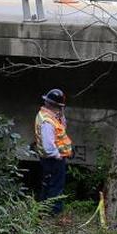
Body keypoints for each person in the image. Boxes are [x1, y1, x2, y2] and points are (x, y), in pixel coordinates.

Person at [34, 88, 73, 216]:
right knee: (55, 186)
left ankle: (43, 211)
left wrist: (61, 115)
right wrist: (57, 155)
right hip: (53, 159)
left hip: (49, 159)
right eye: (60, 107)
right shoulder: (48, 122)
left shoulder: (48, 116)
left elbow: (62, 127)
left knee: (47, 184)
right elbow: (48, 145)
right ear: (55, 105)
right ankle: (53, 213)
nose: (61, 109)